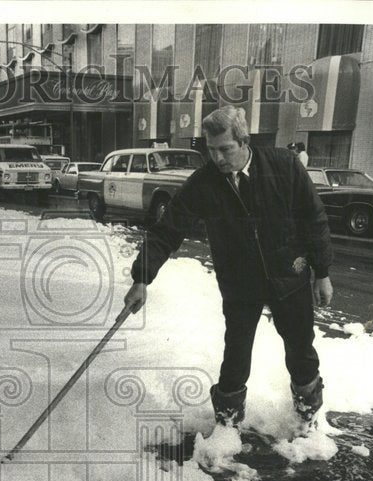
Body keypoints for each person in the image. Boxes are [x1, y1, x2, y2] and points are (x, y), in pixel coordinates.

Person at [124, 106, 334, 435]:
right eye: (211, 150)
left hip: (289, 277)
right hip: (240, 284)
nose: (218, 158)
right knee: (235, 358)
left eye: (225, 149)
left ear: (244, 141)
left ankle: (307, 420)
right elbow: (168, 229)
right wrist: (141, 278)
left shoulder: (283, 166)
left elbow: (314, 218)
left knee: (301, 351)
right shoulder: (205, 182)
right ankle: (227, 428)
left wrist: (322, 271)